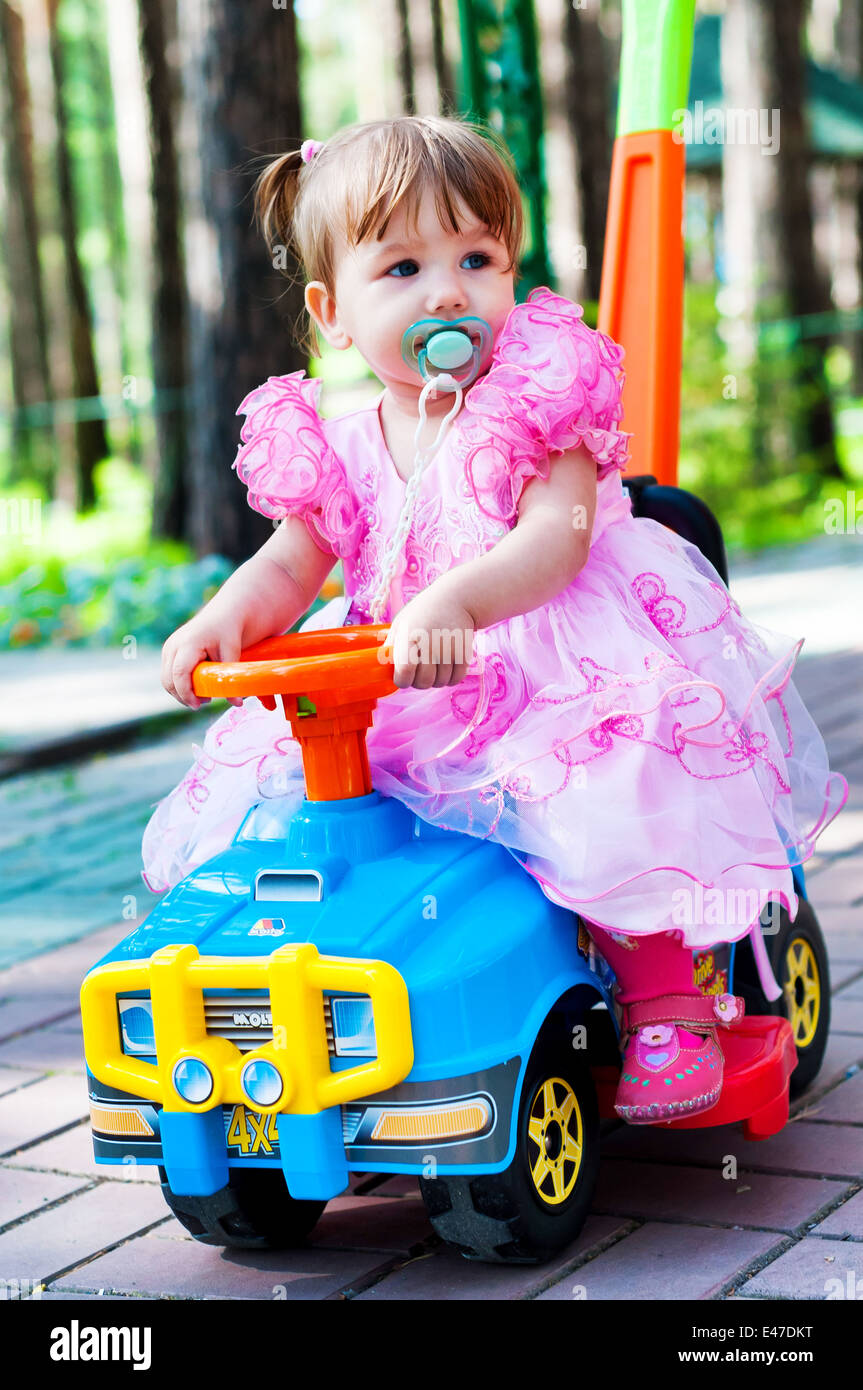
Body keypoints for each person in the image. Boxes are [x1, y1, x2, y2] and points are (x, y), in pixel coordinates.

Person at [143, 115, 847, 1125]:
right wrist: (222, 619)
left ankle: (664, 1004)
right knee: (296, 808)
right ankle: (358, 1012)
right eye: (403, 268)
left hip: (550, 662)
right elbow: (288, 562)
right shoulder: (336, 447)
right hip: (406, 686)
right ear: (331, 309)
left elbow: (554, 539)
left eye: (476, 258)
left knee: (604, 792)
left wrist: (459, 599)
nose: (446, 291)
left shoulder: (533, 405)